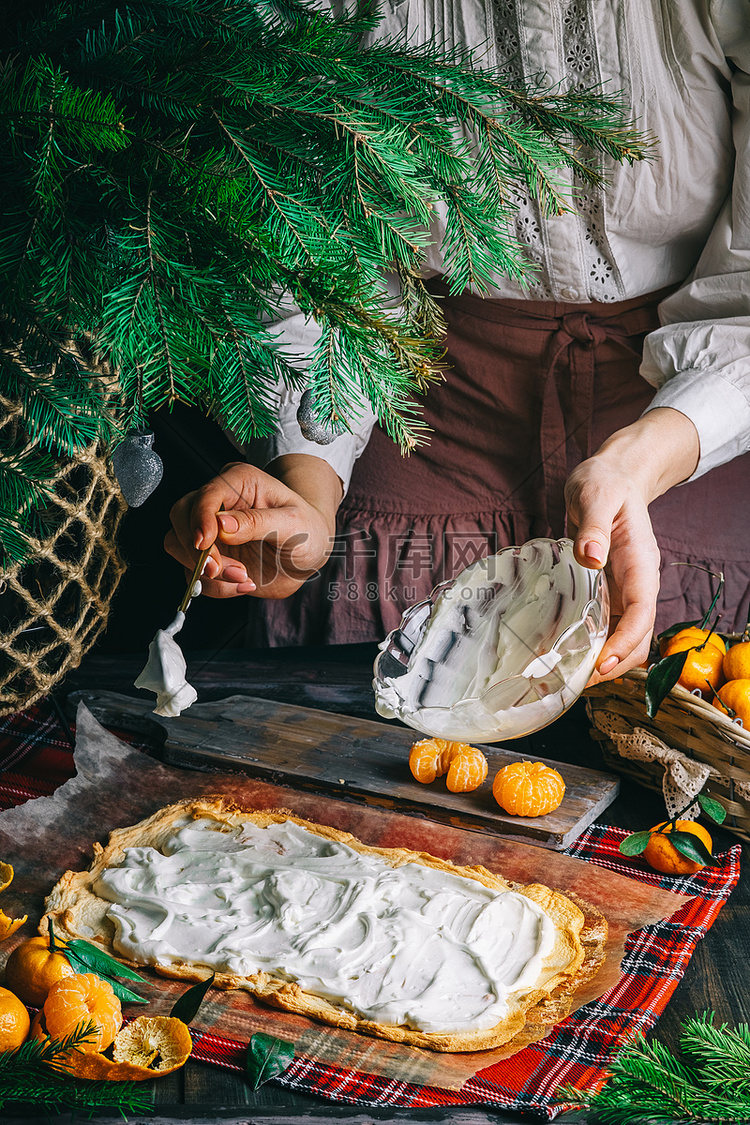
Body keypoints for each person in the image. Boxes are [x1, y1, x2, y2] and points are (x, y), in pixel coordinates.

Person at [166, 0, 750, 681]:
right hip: (414, 390)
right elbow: (293, 246)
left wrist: (640, 461)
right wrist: (309, 489)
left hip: (701, 415)